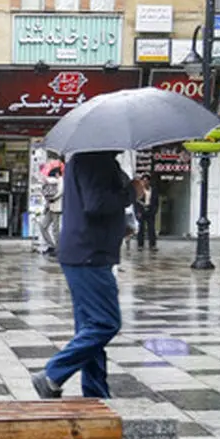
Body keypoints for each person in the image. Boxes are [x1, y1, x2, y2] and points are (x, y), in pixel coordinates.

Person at [32, 151, 146, 400]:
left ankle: (96, 394)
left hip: (84, 251)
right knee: (106, 323)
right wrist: (131, 193)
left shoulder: (84, 160)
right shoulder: (96, 161)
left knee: (90, 328)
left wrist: (118, 225)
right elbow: (97, 204)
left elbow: (92, 204)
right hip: (90, 254)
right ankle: (52, 374)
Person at [39, 160, 64, 257]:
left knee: (55, 229)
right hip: (50, 207)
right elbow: (51, 181)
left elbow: (60, 192)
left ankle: (58, 249)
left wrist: (51, 198)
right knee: (43, 225)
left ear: (57, 173)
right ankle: (52, 245)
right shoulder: (56, 180)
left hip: (57, 208)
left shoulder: (62, 180)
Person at [137, 175, 159, 252]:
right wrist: (138, 211)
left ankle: (152, 245)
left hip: (150, 211)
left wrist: (154, 211)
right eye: (143, 180)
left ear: (149, 181)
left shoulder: (153, 190)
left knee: (151, 229)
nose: (145, 182)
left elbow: (156, 202)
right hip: (141, 211)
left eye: (146, 180)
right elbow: (136, 202)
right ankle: (140, 245)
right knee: (141, 229)